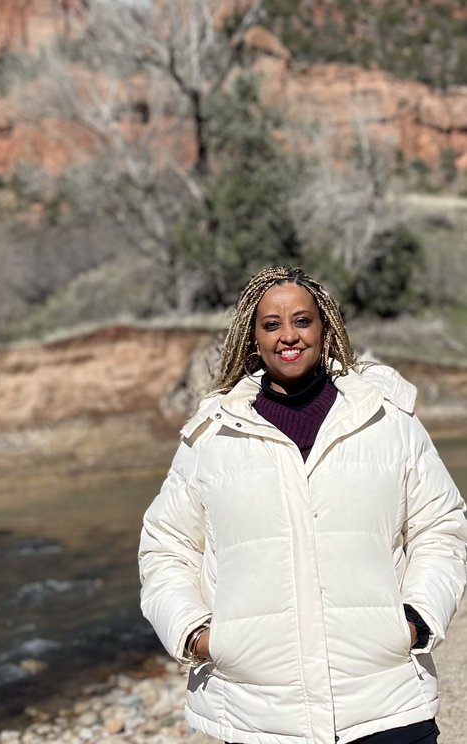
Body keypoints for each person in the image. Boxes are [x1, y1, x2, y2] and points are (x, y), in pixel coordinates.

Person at [139, 266, 467, 744]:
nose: (288, 336)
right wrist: (196, 634)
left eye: (302, 321)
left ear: (324, 328)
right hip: (258, 716)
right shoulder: (212, 436)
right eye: (271, 324)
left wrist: (416, 618)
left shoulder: (387, 419)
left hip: (386, 705)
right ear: (253, 337)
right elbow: (166, 548)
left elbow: (439, 526)